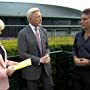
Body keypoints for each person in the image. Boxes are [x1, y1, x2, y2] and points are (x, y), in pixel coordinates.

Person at [17, 7, 54, 90]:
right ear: (30, 18)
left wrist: (47, 55)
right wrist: (39, 60)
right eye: (38, 17)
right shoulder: (22, 33)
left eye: (41, 16)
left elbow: (47, 47)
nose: (41, 19)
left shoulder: (44, 31)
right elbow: (22, 54)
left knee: (50, 86)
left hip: (46, 69)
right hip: (31, 72)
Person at [72, 8, 90, 90]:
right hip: (77, 72)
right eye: (81, 19)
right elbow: (74, 48)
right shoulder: (78, 35)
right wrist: (75, 58)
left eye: (85, 19)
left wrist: (89, 62)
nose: (81, 22)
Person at [0, 19, 18, 90]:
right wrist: (6, 71)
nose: (1, 33)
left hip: (4, 84)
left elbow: (3, 61)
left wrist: (13, 63)